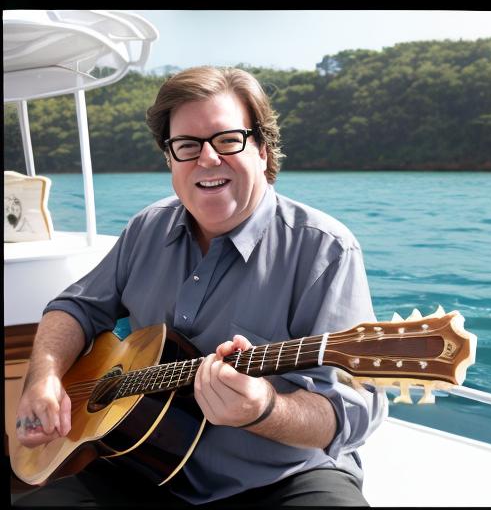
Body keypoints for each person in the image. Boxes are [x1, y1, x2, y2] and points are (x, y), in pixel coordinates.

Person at [13, 66, 387, 507]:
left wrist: (265, 409)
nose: (207, 159)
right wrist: (44, 377)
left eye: (228, 140)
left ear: (262, 150)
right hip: (142, 464)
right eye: (187, 145)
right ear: (170, 158)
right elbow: (75, 307)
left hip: (281, 479)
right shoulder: (147, 228)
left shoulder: (325, 250)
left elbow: (352, 409)